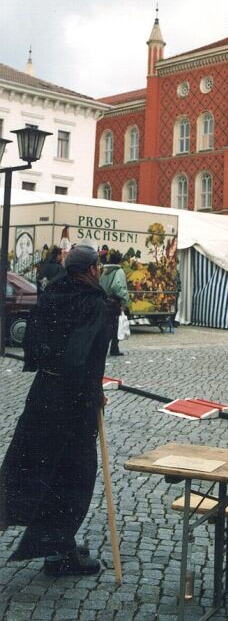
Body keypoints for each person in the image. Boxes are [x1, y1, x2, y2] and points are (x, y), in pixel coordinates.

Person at [0, 244, 115, 576]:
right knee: (73, 476)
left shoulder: (51, 294)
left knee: (34, 463)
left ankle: (58, 543)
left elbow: (32, 346)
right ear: (93, 269)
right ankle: (58, 554)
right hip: (72, 402)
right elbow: (79, 358)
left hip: (43, 394)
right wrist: (93, 393)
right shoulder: (94, 303)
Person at [99, 249, 129, 356]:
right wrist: (124, 302)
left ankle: (112, 348)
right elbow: (119, 287)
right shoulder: (119, 271)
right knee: (114, 326)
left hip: (105, 301)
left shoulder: (105, 271)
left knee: (109, 326)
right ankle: (111, 349)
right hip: (114, 302)